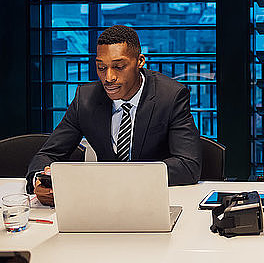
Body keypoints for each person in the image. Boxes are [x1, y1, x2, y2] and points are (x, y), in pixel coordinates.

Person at [27, 25, 202, 205]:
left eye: (118, 67)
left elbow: (188, 165)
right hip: (104, 203)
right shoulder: (85, 99)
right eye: (101, 67)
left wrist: (121, 176)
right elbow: (47, 155)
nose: (108, 77)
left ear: (140, 61)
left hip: (155, 200)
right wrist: (39, 180)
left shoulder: (171, 96)